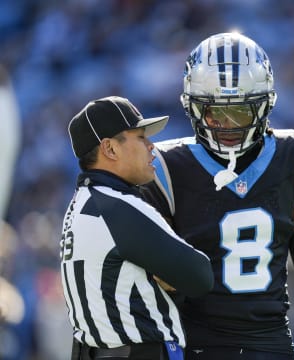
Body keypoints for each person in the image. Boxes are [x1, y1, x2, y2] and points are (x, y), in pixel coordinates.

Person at [140, 33, 294, 359]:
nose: (227, 127)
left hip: (271, 344)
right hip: (195, 347)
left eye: (241, 114)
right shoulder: (162, 167)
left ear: (265, 105)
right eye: (215, 114)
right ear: (193, 108)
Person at [60, 96, 214, 360]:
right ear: (110, 149)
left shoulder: (81, 204)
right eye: (141, 137)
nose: (152, 146)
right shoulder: (117, 205)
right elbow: (200, 276)